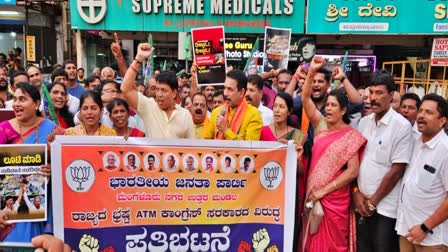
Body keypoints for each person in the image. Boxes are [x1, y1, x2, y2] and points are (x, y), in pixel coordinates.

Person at [301, 56, 367, 251]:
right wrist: (312, 71)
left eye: (333, 105)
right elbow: (305, 98)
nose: (328, 109)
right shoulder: (320, 125)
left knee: (334, 245)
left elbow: (352, 171)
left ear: (344, 109)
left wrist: (324, 190)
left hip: (335, 201)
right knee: (312, 241)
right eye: (327, 105)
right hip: (314, 197)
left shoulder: (350, 135)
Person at [355, 69, 413, 252]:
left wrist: (373, 202)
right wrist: (356, 192)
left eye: (379, 93)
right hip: (361, 204)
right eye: (371, 92)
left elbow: (396, 171)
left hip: (385, 208)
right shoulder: (364, 122)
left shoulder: (401, 126)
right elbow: (355, 161)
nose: (373, 98)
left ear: (391, 95)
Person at [0, 83, 62, 243]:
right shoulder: (3, 130)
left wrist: (53, 169)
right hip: (7, 210)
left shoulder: (52, 130)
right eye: (14, 99)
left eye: (22, 99)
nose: (16, 104)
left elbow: (65, 166)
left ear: (36, 104)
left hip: (42, 206)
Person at [395, 94, 448, 252]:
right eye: (421, 111)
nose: (421, 116)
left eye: (429, 112)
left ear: (442, 121)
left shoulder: (445, 150)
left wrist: (425, 227)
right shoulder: (416, 142)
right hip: (407, 229)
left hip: (431, 238)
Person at [120, 43, 195, 139]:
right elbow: (125, 89)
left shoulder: (185, 115)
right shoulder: (148, 106)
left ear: (174, 93)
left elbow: (191, 148)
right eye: (157, 89)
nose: (159, 94)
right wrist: (138, 59)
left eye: (163, 90)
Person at [204, 69, 263, 140]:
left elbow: (250, 148)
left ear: (241, 92)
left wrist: (226, 131)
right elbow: (206, 142)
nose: (225, 93)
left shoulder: (254, 115)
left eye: (230, 89)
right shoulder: (216, 112)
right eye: (225, 88)